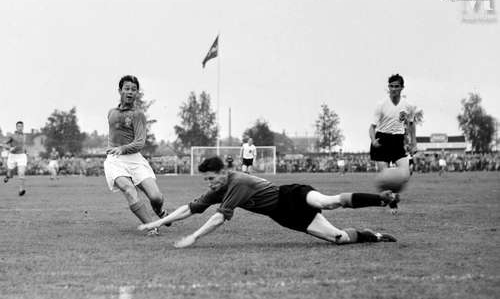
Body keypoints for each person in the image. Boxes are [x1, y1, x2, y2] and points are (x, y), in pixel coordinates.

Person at [138, 156, 397, 248]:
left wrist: (194, 237)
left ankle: (381, 199)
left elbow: (219, 218)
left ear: (223, 173)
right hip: (286, 216)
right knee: (339, 238)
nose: (209, 184)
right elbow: (189, 208)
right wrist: (159, 221)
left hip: (292, 195)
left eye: (211, 178)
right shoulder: (219, 188)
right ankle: (374, 236)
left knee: (329, 202)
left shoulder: (237, 181)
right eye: (206, 180)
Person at [104, 75, 168, 236]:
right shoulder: (111, 112)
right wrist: (115, 149)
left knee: (156, 197)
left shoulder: (138, 115)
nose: (130, 92)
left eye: (134, 89)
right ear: (120, 91)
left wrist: (123, 148)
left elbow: (140, 142)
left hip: (134, 159)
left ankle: (159, 211)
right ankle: (151, 226)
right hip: (115, 161)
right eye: (127, 88)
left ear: (137, 93)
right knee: (129, 190)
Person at [369, 74, 416, 214]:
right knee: (386, 177)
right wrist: (373, 140)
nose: (393, 89)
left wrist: (414, 141)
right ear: (388, 87)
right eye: (391, 86)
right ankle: (393, 205)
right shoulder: (381, 105)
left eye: (396, 86)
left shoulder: (408, 106)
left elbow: (412, 124)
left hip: (398, 141)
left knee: (406, 173)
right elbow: (371, 127)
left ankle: (394, 194)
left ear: (402, 88)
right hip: (382, 140)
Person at [1, 121, 28, 196]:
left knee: (21, 173)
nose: (20, 128)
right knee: (10, 174)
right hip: (12, 156)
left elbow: (23, 146)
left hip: (22, 156)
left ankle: (21, 190)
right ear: (16, 127)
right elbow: (2, 144)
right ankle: (8, 176)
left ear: (23, 127)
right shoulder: (12, 136)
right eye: (18, 126)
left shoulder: (24, 136)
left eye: (21, 126)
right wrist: (10, 148)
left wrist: (26, 151)